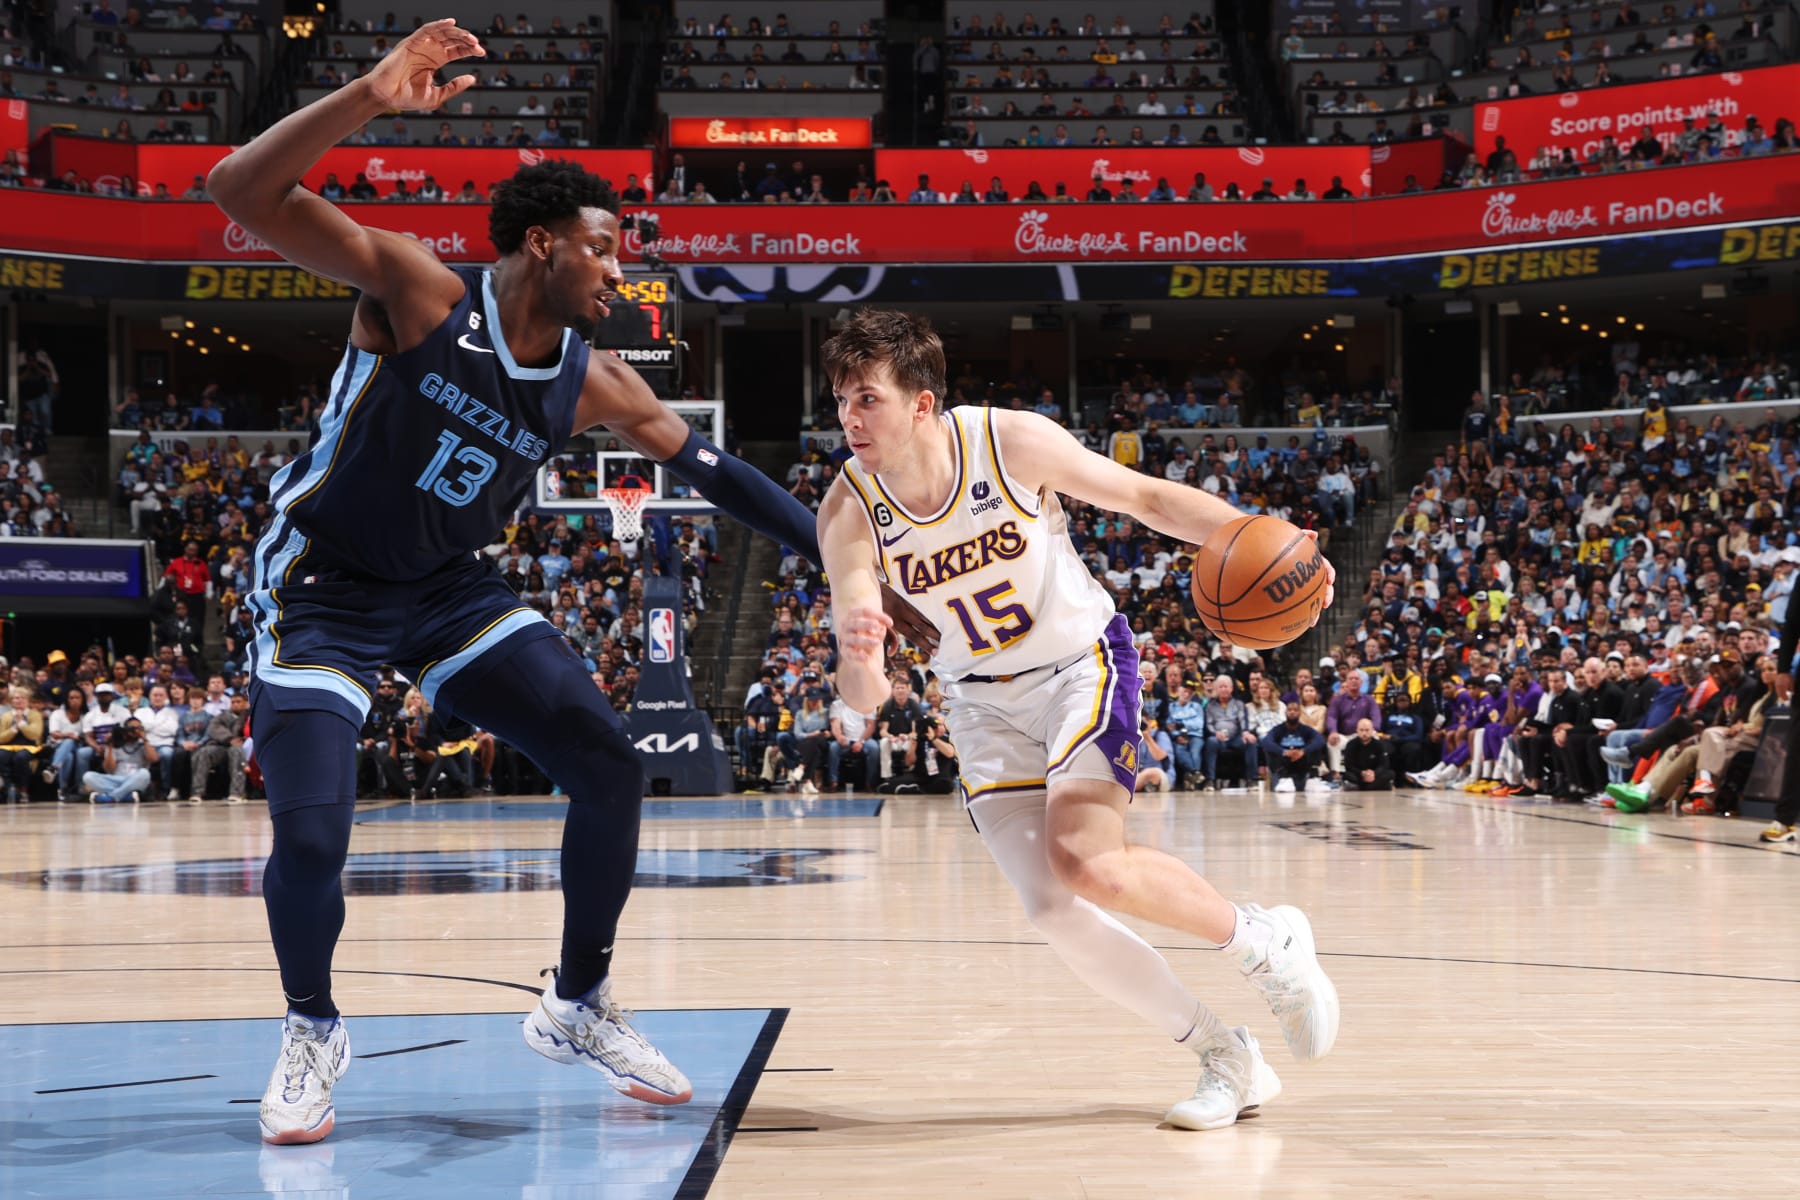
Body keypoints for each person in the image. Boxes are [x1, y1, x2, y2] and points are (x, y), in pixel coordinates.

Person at [205, 20, 928, 1148]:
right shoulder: (417, 291)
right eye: (606, 247)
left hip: (449, 587)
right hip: (323, 587)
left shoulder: (595, 381)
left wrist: (855, 560)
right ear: (543, 245)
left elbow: (724, 476)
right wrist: (365, 95)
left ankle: (577, 1000)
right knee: (311, 840)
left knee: (607, 762)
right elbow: (236, 191)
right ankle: (311, 1028)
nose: (623, 267)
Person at [815, 309, 1339, 1133]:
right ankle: (1224, 1054)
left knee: (1088, 864)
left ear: (922, 405)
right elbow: (866, 696)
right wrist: (859, 653)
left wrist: (1275, 542)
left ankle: (1263, 944)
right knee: (1052, 909)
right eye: (841, 398)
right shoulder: (847, 510)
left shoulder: (1007, 442)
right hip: (978, 703)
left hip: (1077, 667)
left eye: (867, 398)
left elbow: (1144, 497)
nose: (849, 417)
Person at [1342, 718, 1393, 789]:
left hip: (1374, 775)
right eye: (1361, 730)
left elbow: (1384, 764)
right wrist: (1362, 773)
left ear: (1372, 730)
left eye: (1367, 730)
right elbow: (1349, 765)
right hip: (1358, 775)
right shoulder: (1351, 744)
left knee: (1390, 773)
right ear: (1357, 730)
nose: (1364, 733)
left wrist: (1374, 773)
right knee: (1347, 775)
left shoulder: (1379, 744)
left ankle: (1363, 787)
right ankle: (1377, 786)